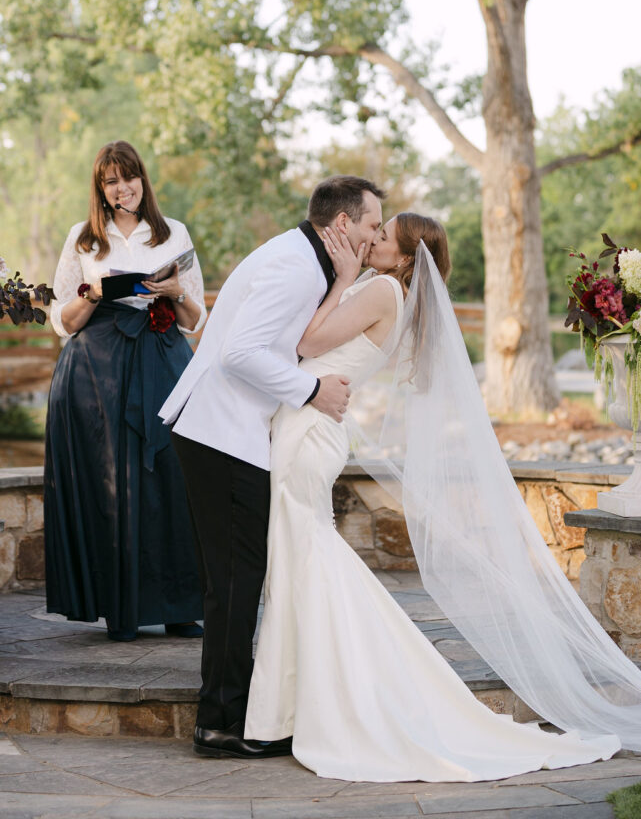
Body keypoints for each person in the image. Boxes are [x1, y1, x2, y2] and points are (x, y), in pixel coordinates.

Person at [241, 212, 641, 781]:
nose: (372, 239)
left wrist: (340, 275)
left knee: (304, 558)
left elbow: (307, 341)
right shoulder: (393, 294)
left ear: (405, 258)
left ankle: (299, 708)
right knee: (300, 558)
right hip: (312, 428)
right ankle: (292, 703)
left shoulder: (379, 288)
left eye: (383, 236)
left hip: (308, 434)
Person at [159, 175, 385, 760]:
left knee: (236, 581)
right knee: (234, 583)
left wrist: (341, 282)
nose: (377, 235)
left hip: (223, 431)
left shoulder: (302, 258)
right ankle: (220, 723)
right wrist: (311, 390)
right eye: (371, 225)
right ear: (342, 226)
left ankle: (233, 711)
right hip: (221, 433)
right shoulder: (294, 267)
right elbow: (240, 353)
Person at [45, 141, 206, 642]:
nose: (122, 188)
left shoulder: (173, 232)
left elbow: (196, 319)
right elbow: (60, 322)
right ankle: (121, 608)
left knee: (174, 479)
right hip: (98, 370)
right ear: (100, 189)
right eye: (111, 181)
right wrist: (92, 295)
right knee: (112, 484)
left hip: (163, 357)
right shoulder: (84, 239)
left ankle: (180, 605)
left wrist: (175, 291)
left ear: (143, 180)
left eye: (129, 177)